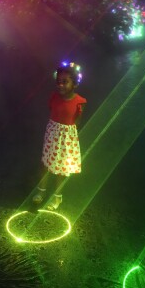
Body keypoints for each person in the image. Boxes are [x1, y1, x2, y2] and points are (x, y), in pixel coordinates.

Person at [33, 61, 86, 210]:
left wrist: (66, 134)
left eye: (65, 82)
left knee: (60, 170)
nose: (60, 85)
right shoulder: (54, 97)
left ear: (74, 84)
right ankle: (41, 191)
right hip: (52, 133)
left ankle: (57, 198)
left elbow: (77, 121)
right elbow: (52, 110)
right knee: (45, 165)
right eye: (58, 81)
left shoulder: (79, 102)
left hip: (66, 137)